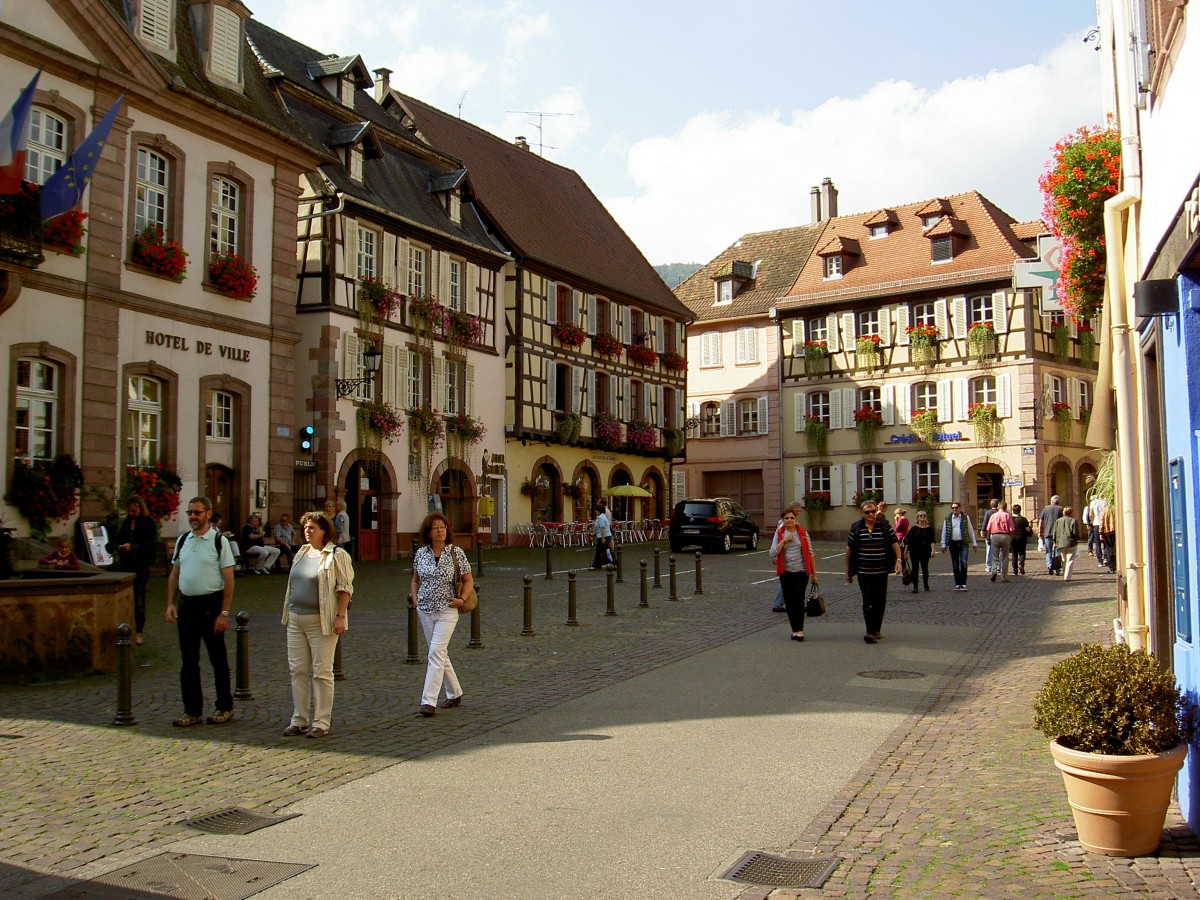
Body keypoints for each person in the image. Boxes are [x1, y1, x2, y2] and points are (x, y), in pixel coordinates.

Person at [281, 511, 353, 738]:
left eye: (312, 528)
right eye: (305, 528)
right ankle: (299, 719)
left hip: (321, 621)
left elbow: (345, 588)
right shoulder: (301, 552)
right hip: (295, 619)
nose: (307, 531)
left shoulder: (336, 555)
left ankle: (321, 722)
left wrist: (340, 615)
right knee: (298, 670)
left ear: (324, 530)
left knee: (321, 672)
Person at [166, 495, 235, 727]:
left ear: (208, 513)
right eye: (190, 513)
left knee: (217, 658)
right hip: (187, 606)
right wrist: (170, 602)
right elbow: (175, 573)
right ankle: (192, 710)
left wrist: (224, 612)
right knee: (188, 661)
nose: (193, 516)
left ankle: (224, 706)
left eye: (197, 512)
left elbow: (229, 579)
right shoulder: (183, 540)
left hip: (210, 606)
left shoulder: (218, 541)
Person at [409, 512, 472, 717]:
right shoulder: (421, 554)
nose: (440, 530)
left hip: (448, 609)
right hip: (425, 609)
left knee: (435, 652)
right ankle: (455, 693)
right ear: (428, 532)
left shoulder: (456, 553)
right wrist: (416, 599)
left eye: (443, 527)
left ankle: (428, 701)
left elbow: (468, 580)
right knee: (439, 653)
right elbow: (415, 579)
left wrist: (461, 599)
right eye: (435, 527)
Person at [845, 501, 902, 644]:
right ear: (862, 513)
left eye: (873, 511)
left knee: (880, 600)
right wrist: (848, 571)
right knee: (868, 600)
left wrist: (899, 561)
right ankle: (870, 631)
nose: (871, 514)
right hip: (864, 572)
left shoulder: (884, 525)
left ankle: (877, 628)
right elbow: (849, 550)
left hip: (881, 571)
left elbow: (895, 543)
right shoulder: (857, 527)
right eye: (867, 512)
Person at [770, 507, 818, 641]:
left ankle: (800, 630)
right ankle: (795, 630)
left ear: (796, 519)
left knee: (798, 598)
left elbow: (810, 553)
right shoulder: (779, 534)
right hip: (786, 572)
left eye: (792, 518)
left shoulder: (803, 533)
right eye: (787, 518)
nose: (789, 520)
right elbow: (773, 553)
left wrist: (814, 574)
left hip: (802, 572)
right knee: (790, 601)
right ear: (783, 520)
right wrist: (784, 541)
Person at [114, 495, 157, 643]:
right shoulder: (126, 522)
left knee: (139, 600)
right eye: (129, 511)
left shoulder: (149, 523)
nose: (131, 513)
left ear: (140, 508)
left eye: (133, 510)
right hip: (126, 565)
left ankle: (139, 630)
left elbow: (151, 544)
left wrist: (134, 547)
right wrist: (119, 547)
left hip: (140, 566)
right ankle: (126, 628)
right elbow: (119, 539)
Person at [771, 502, 803, 611]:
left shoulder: (796, 523)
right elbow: (777, 540)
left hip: (795, 562)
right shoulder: (783, 524)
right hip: (785, 560)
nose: (799, 512)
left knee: (789, 585)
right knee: (785, 584)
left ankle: (793, 603)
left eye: (799, 511)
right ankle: (778, 603)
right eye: (797, 510)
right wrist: (776, 556)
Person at [940, 501, 978, 591]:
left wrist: (974, 542)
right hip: (953, 543)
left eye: (956, 507)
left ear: (960, 508)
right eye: (953, 508)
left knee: (964, 562)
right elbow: (944, 531)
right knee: (955, 564)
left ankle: (963, 583)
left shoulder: (965, 518)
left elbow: (970, 530)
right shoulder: (948, 519)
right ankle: (957, 583)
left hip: (963, 543)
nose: (954, 509)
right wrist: (943, 544)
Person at [904, 511, 936, 593]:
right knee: (915, 568)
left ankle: (926, 584)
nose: (922, 517)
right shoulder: (913, 529)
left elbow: (932, 541)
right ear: (917, 518)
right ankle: (915, 587)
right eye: (920, 515)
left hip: (925, 551)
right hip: (914, 551)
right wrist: (905, 552)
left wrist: (933, 550)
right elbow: (908, 541)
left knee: (925, 568)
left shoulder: (929, 529)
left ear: (926, 518)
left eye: (924, 515)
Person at [985, 500, 1015, 582]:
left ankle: (994, 571)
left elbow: (988, 528)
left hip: (995, 536)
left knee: (995, 557)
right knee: (1005, 558)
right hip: (1005, 535)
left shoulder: (993, 516)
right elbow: (1011, 528)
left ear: (998, 507)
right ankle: (1003, 577)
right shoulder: (1007, 515)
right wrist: (1010, 537)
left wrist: (988, 538)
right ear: (1005, 507)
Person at [1052, 505, 1082, 580]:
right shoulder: (1073, 520)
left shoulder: (1058, 521)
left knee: (1063, 559)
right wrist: (1077, 538)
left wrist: (1054, 541)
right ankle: (1067, 576)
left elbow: (1054, 532)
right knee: (1070, 560)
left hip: (1060, 542)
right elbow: (1075, 532)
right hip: (1071, 542)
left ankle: (1065, 572)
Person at [1038, 495, 1064, 575]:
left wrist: (1040, 531)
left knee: (1048, 550)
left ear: (1051, 501)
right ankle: (1057, 569)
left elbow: (1041, 521)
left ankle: (1049, 566)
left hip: (1048, 532)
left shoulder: (1046, 509)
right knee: (1057, 551)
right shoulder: (1060, 509)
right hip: (1058, 533)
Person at [1087, 493, 1109, 568]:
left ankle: (1100, 561)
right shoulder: (1104, 502)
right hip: (1104, 523)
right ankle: (1106, 558)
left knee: (1097, 543)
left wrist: (1092, 521)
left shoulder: (1093, 502)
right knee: (1105, 541)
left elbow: (1090, 514)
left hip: (1096, 523)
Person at [1010, 504, 1032, 576]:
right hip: (1021, 537)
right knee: (1022, 552)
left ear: (1013, 510)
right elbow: (1028, 529)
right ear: (1020, 510)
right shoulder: (1023, 519)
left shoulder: (1010, 519)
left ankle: (1015, 571)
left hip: (1012, 538)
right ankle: (1021, 565)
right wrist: (1029, 533)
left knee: (1014, 554)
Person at [591, 500, 614, 570]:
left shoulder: (600, 517)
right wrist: (595, 534)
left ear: (599, 511)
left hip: (603, 536)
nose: (595, 512)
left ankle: (597, 565)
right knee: (605, 550)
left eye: (596, 510)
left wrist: (603, 538)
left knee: (602, 550)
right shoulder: (603, 516)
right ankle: (598, 564)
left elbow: (602, 528)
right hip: (605, 535)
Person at [980, 499, 1000, 572]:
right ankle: (998, 566)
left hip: (989, 533)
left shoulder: (988, 512)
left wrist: (982, 530)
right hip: (998, 532)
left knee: (989, 550)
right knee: (999, 551)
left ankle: (989, 566)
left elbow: (985, 522)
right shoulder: (999, 512)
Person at [1099, 503, 1118, 573]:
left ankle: (1111, 567)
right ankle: (1116, 565)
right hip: (1115, 531)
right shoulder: (1116, 509)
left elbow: (1101, 523)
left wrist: (1100, 533)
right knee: (1116, 549)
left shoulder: (1104, 511)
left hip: (1107, 532)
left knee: (1109, 549)